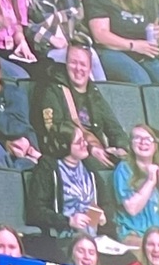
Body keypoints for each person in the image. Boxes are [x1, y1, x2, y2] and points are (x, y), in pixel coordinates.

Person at [37, 40, 127, 169]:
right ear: (66, 64)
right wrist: (89, 148)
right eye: (73, 62)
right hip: (70, 154)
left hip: (98, 149)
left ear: (90, 68)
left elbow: (114, 128)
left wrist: (122, 148)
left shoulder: (94, 92)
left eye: (83, 64)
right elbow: (55, 130)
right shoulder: (54, 89)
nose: (78, 68)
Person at [28, 121, 105, 236]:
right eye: (79, 142)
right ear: (65, 146)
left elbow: (105, 201)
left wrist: (102, 215)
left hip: (92, 238)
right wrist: (69, 221)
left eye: (84, 139)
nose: (85, 144)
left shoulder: (89, 166)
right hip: (62, 238)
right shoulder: (48, 168)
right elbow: (37, 211)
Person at [114, 124, 159, 243]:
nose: (143, 142)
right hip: (135, 233)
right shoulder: (124, 169)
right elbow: (132, 209)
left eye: (148, 139)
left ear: (155, 146)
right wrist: (150, 181)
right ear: (131, 144)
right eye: (137, 138)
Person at [0, 49, 41, 169]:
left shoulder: (16, 93)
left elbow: (19, 128)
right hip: (0, 151)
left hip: (26, 151)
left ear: (0, 71)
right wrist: (4, 143)